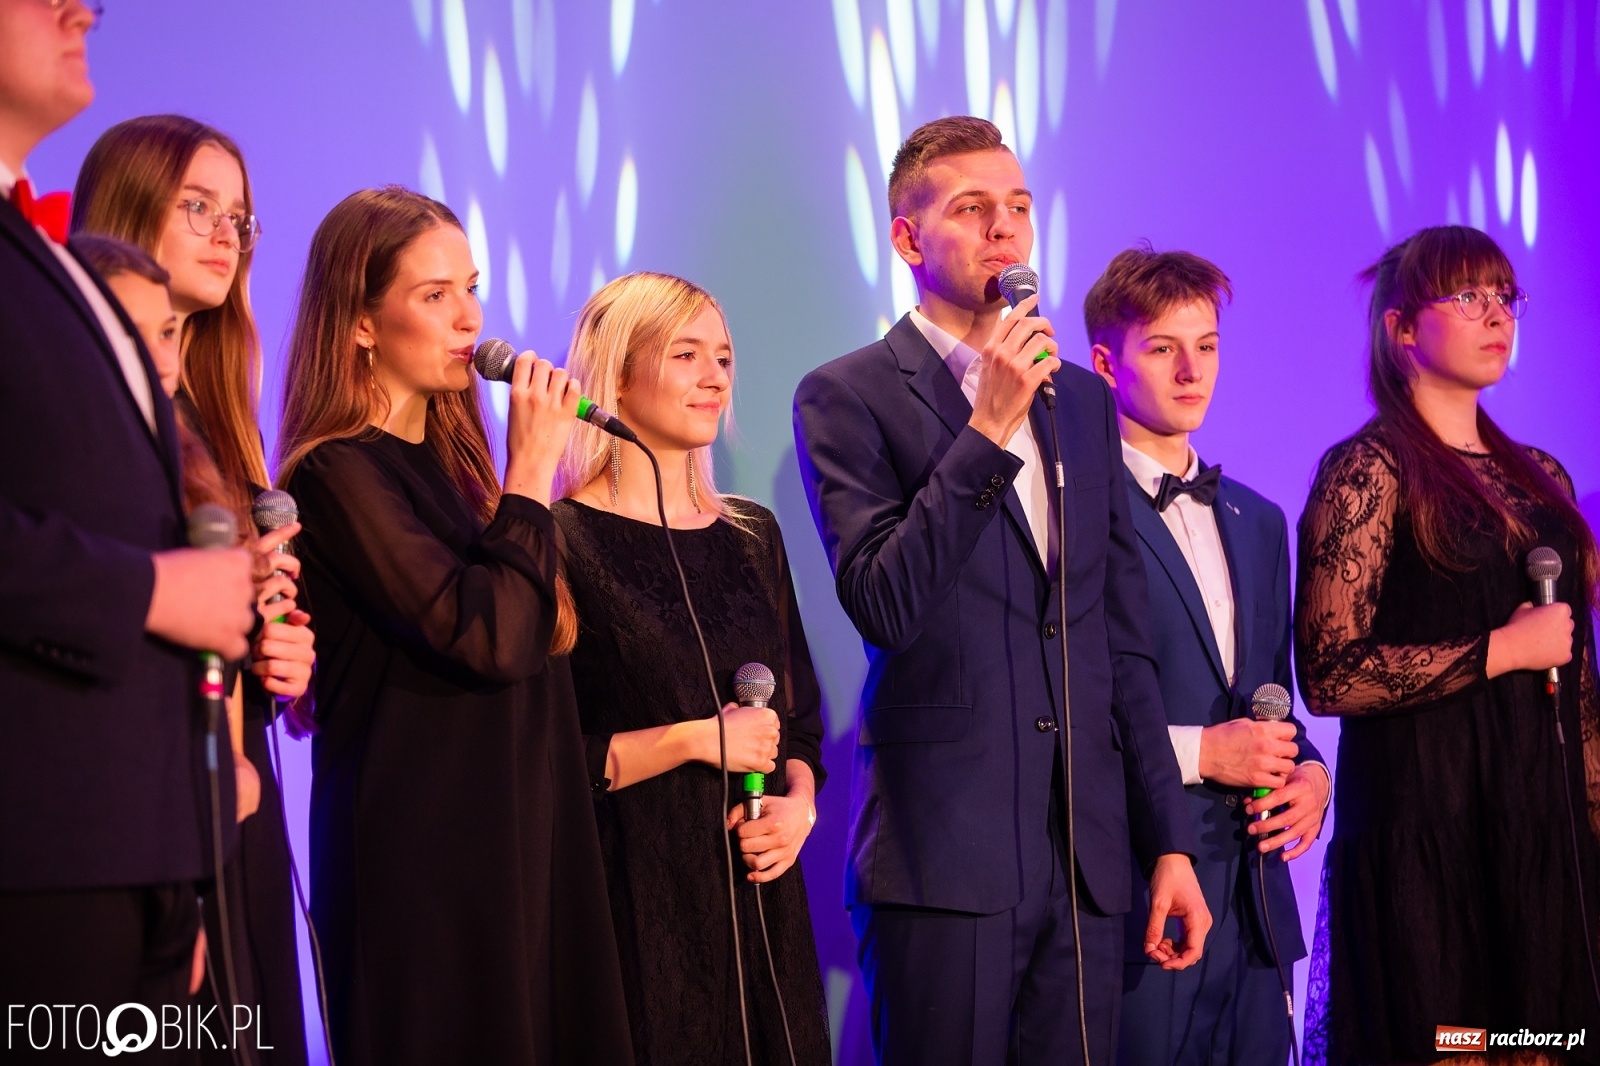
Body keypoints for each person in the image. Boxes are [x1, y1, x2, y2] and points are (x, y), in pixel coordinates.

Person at [793, 115, 1211, 1065]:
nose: (1005, 231)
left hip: (1083, 866)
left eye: (1017, 208)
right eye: (973, 209)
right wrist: (985, 431)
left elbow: (1119, 640)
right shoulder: (847, 394)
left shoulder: (1084, 400)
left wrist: (1169, 841)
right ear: (907, 239)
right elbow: (884, 602)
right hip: (947, 860)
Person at [276, 185, 634, 1066]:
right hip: (427, 861)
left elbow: (539, 637)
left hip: (522, 837)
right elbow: (486, 635)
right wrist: (533, 470)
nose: (470, 317)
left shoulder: (455, 472)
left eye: (470, 288)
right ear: (361, 323)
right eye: (434, 297)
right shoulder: (336, 472)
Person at [0, 0, 254, 1050]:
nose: (84, 8)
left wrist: (173, 871)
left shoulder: (38, 259)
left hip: (129, 865)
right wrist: (152, 589)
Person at [1296, 224, 1600, 1065]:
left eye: (1505, 296)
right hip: (1426, 842)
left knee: (1544, 1043)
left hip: (1541, 843)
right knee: (1452, 1047)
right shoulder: (1369, 470)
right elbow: (1329, 671)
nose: (1495, 314)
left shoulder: (1543, 476)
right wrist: (1498, 651)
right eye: (1467, 296)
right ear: (1401, 330)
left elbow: (1579, 688)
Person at [72, 117, 314, 1064]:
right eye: (198, 207)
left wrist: (280, 655)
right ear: (132, 214)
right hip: (144, 809)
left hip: (236, 798)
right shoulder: (85, 408)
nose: (225, 235)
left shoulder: (220, 421)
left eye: (240, 218)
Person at [552, 271, 831, 1064]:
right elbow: (549, 759)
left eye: (725, 357)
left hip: (764, 907)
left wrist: (798, 809)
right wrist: (692, 739)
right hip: (639, 903)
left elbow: (801, 722)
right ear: (617, 374)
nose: (715, 376)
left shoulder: (753, 535)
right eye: (685, 355)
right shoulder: (559, 541)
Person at [1083, 246, 1329, 1065]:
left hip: (1256, 894)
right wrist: (1200, 754)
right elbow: (1072, 702)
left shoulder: (1258, 518)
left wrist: (1312, 775)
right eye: (1164, 347)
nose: (1193, 370)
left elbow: (1272, 696)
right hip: (1139, 887)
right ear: (1105, 363)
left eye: (1209, 345)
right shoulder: (1074, 508)